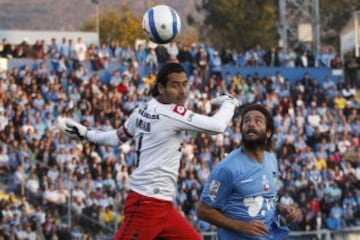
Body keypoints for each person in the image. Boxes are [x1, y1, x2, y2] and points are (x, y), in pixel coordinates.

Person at [58, 62, 239, 240]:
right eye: (175, 85)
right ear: (161, 88)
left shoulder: (142, 109)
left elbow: (115, 138)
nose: (183, 91)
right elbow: (217, 126)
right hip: (146, 205)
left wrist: (87, 134)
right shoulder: (172, 113)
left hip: (164, 207)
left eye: (185, 84)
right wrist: (229, 102)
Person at [197, 103, 301, 240]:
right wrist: (241, 226)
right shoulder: (227, 168)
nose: (251, 124)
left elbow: (265, 199)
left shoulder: (271, 161)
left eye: (258, 121)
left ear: (268, 133)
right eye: (246, 121)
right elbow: (203, 211)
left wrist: (282, 209)